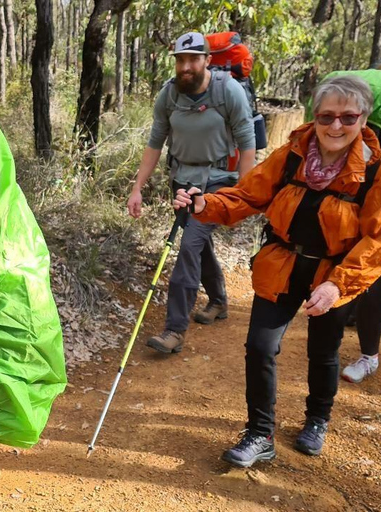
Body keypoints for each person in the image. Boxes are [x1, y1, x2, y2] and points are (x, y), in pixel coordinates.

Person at [173, 75, 381, 467]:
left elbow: (376, 240)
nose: (336, 126)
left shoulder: (374, 170)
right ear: (315, 117)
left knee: (324, 351)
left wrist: (338, 286)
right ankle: (259, 432)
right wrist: (205, 205)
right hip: (281, 263)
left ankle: (317, 419)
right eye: (326, 116)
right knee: (260, 347)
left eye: (348, 117)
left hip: (333, 275)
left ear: (363, 119)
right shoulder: (292, 154)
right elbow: (248, 194)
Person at [127, 31, 256, 354]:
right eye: (181, 60)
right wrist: (137, 188)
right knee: (199, 244)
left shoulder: (228, 92)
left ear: (207, 60)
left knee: (189, 245)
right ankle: (218, 300)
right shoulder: (169, 95)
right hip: (182, 181)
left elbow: (246, 141)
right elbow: (155, 143)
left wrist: (244, 196)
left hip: (219, 182)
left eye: (193, 59)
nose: (186, 66)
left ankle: (174, 330)